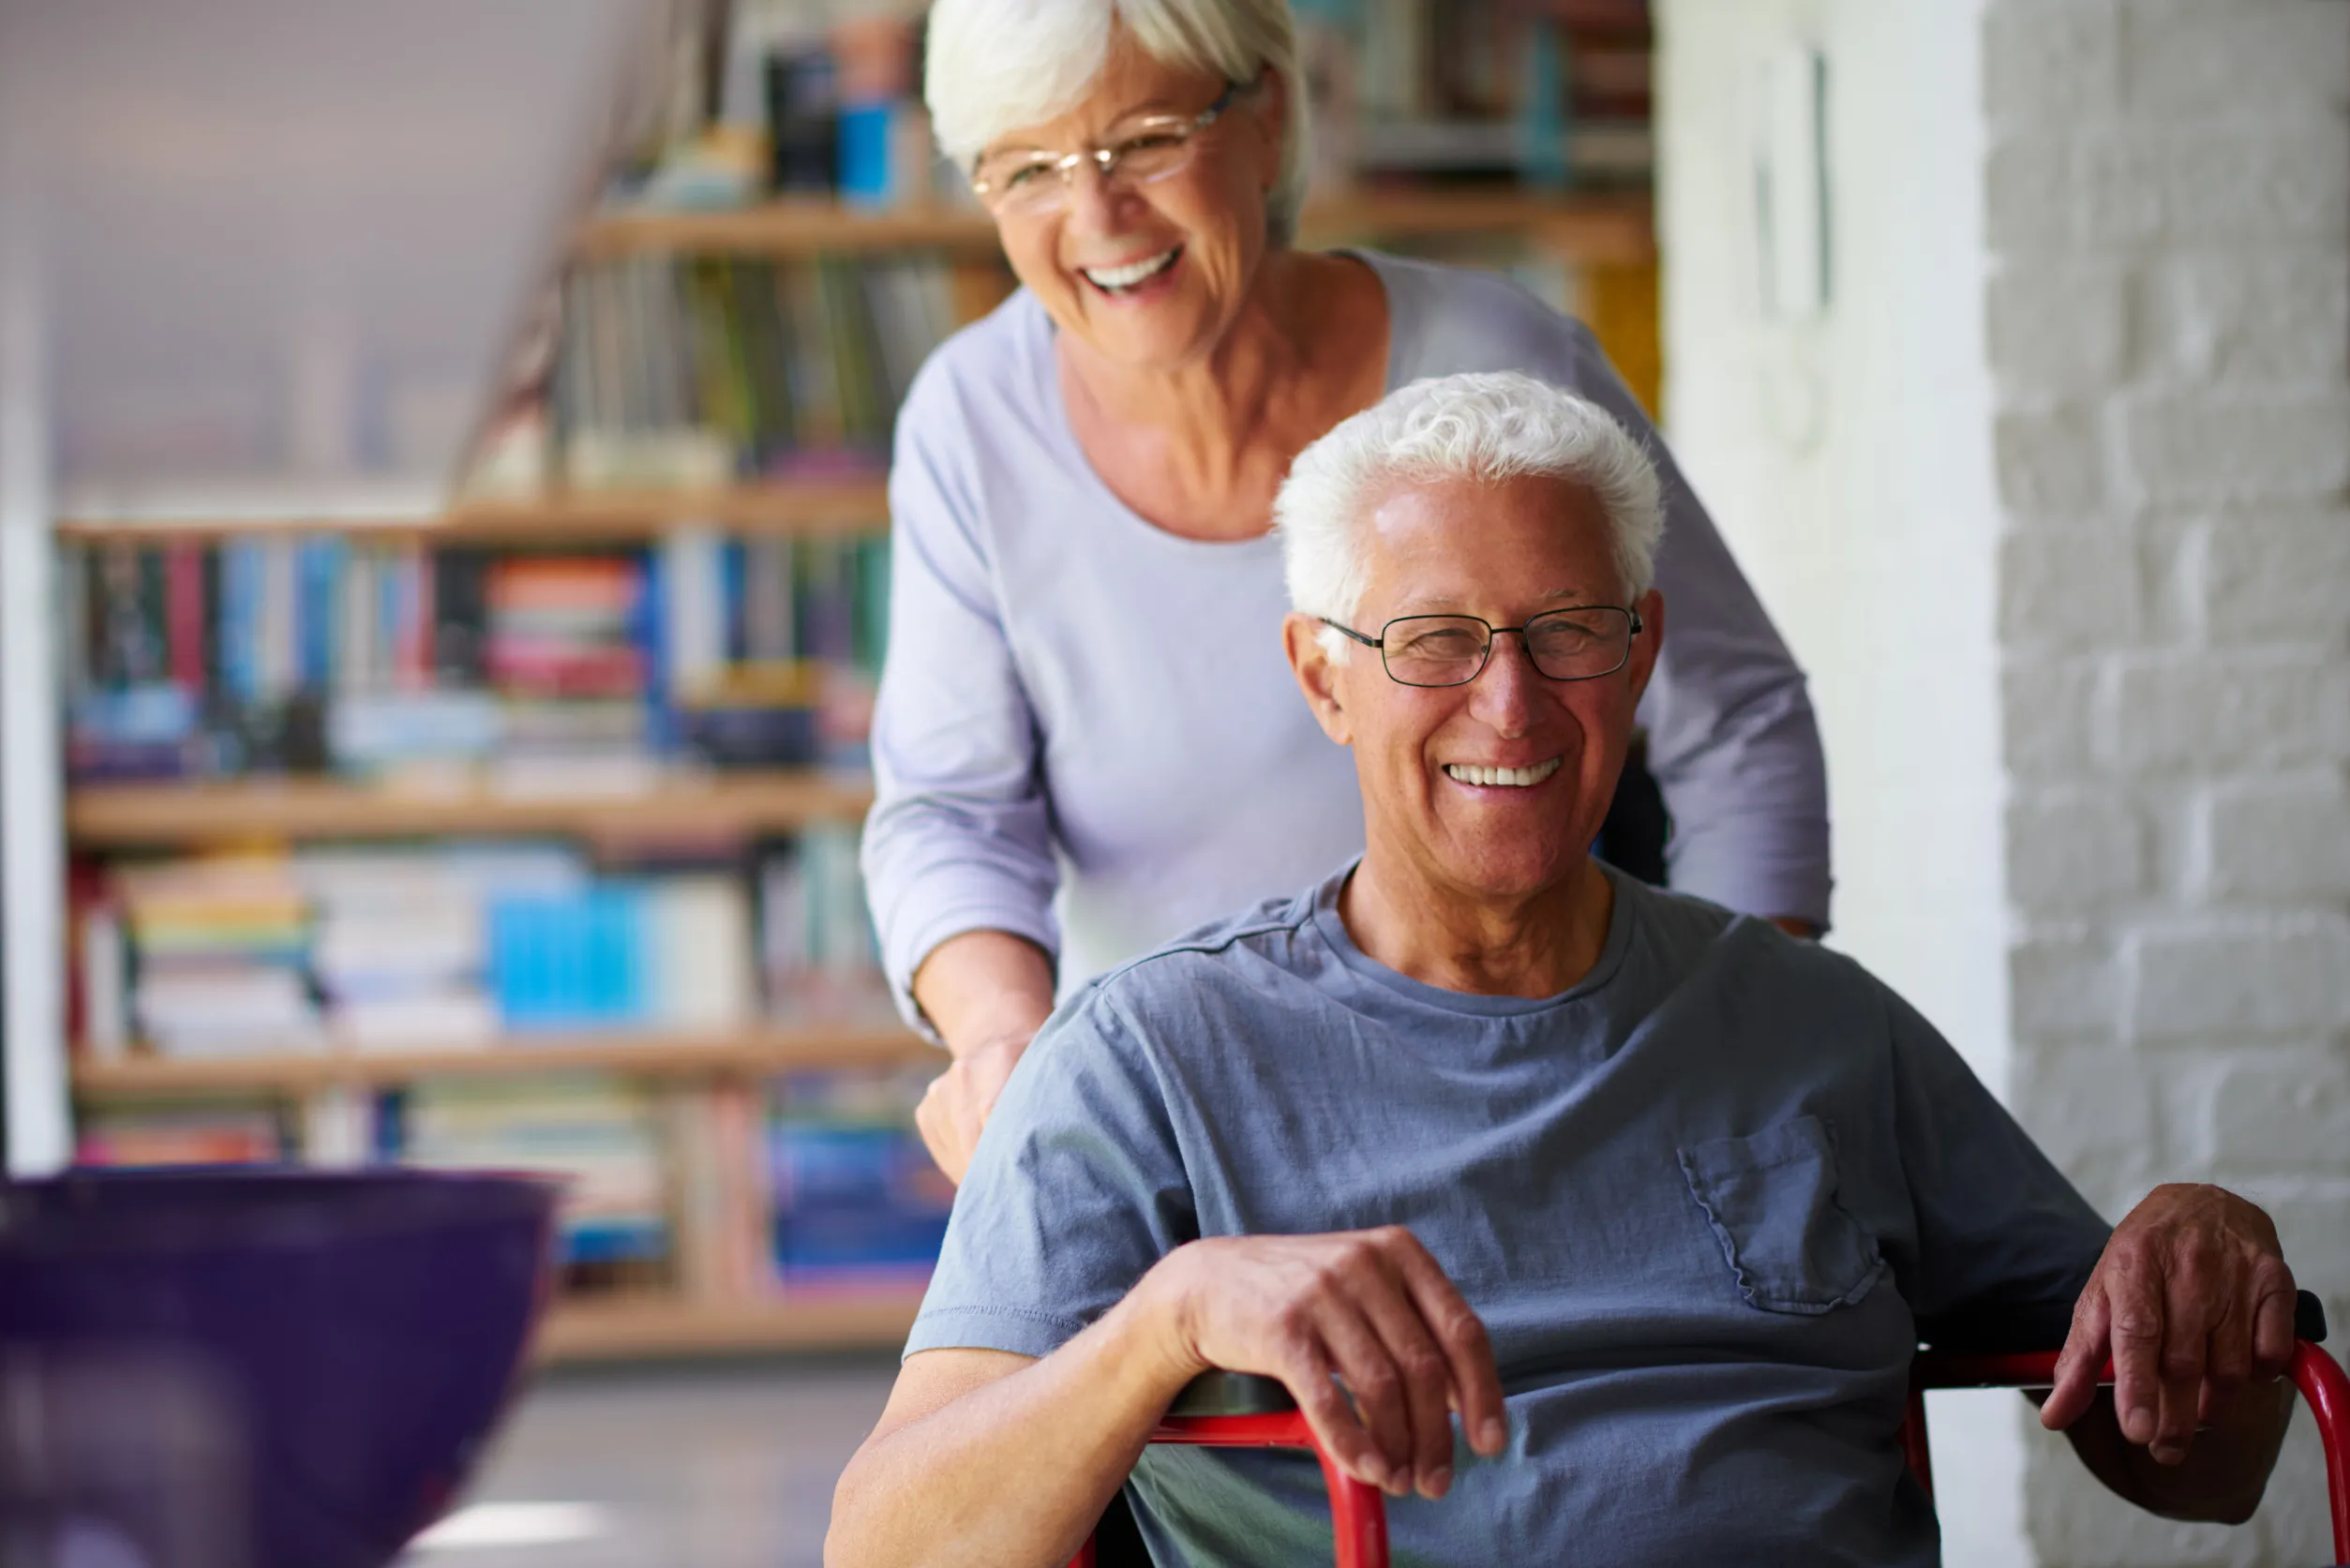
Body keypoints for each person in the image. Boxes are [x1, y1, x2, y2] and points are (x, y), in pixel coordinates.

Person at [827, 375, 2303, 1568]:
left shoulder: (1813, 1025)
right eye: (1435, 640)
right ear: (1319, 674)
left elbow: (2201, 1469)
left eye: (1566, 631)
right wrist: (1167, 1318)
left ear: (1642, 650)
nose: (1509, 700)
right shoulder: (1147, 1059)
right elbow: (887, 1547)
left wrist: (2202, 1245)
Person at [862, 0, 1832, 1182]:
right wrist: (1001, 1040)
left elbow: (1737, 720)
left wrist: (1730, 1052)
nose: (1096, 215)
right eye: (1026, 171)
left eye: (1147, 139)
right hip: (1169, 1123)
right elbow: (950, 813)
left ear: (1266, 113)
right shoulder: (969, 420)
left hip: (1542, 1095)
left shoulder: (1493, 358)